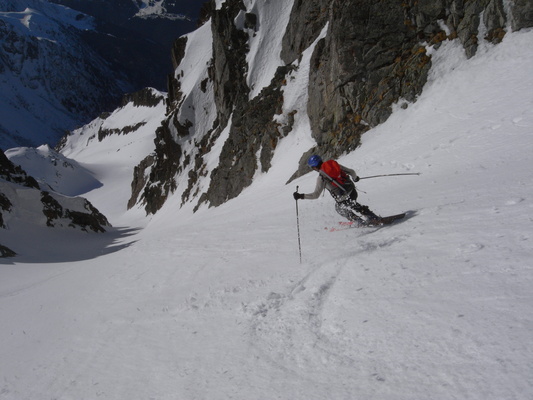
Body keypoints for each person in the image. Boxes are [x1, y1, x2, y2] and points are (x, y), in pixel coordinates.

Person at [293, 155, 382, 226]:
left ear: (314, 167)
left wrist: (301, 196)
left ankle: (360, 222)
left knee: (340, 208)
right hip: (352, 191)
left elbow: (315, 195)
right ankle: (371, 217)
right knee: (353, 204)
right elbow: (351, 171)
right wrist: (355, 178)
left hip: (343, 198)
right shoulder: (334, 165)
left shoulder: (321, 178)